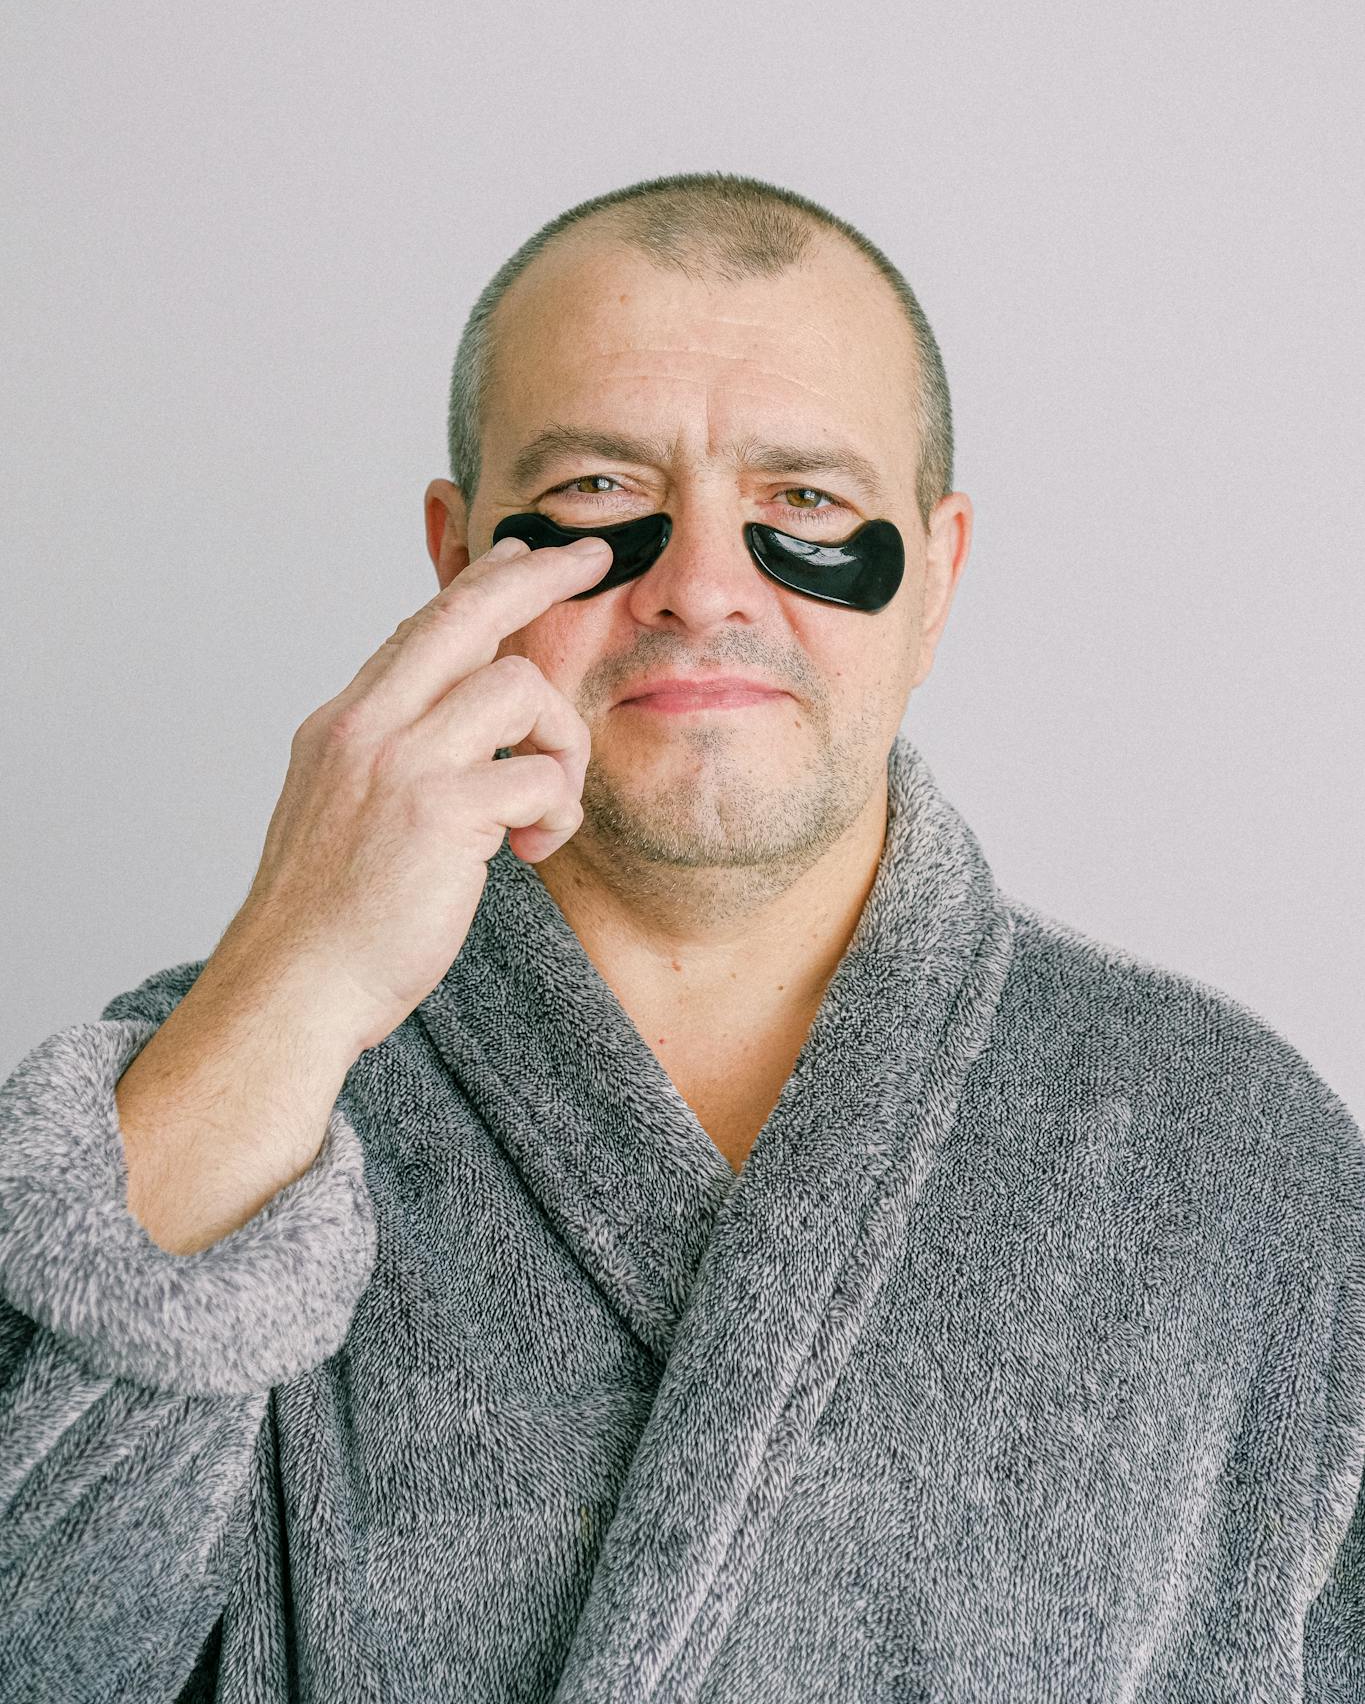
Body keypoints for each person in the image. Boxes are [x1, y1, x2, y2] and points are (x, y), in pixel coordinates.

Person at [1, 170, 1361, 1702]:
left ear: (937, 575)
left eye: (806, 505)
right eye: (595, 493)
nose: (702, 586)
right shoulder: (215, 1087)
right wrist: (292, 983)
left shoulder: (1243, 1159)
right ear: (460, 561)